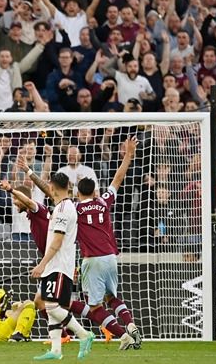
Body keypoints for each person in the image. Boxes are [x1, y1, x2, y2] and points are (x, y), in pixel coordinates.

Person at [75, 137, 142, 350]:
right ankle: (130, 323)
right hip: (111, 257)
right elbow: (118, 178)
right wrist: (129, 154)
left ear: (78, 193)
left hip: (92, 260)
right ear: (94, 192)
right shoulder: (104, 201)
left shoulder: (74, 209)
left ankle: (123, 335)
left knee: (94, 307)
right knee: (111, 296)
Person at [30, 172, 94, 360]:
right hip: (55, 266)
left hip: (59, 265)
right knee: (51, 307)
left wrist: (42, 264)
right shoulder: (62, 206)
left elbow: (57, 241)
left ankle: (84, 334)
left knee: (51, 307)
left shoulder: (64, 208)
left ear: (51, 186)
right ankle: (56, 350)